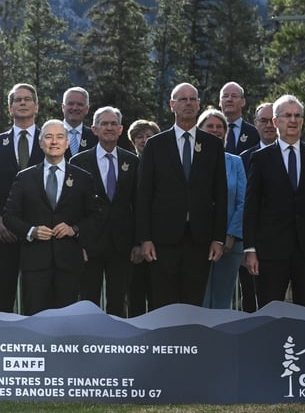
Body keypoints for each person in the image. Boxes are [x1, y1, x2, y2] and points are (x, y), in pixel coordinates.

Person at [136, 82, 227, 310]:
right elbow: (144, 195)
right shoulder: (155, 145)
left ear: (199, 104)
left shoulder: (213, 145)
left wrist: (218, 238)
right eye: (183, 99)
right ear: (172, 105)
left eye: (193, 99)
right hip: (162, 240)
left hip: (200, 239)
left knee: (193, 304)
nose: (188, 103)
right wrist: (145, 238)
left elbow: (220, 194)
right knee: (163, 304)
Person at [243, 94, 305, 309]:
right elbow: (251, 207)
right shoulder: (260, 158)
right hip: (270, 251)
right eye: (287, 116)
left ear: (302, 121)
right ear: (276, 121)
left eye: (297, 115)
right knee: (269, 310)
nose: (293, 120)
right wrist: (250, 249)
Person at [3, 119, 101, 315]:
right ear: (40, 143)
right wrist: (31, 231)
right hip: (35, 263)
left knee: (65, 322)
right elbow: (9, 216)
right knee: (34, 321)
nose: (54, 142)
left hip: (69, 262)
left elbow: (95, 217)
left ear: (67, 142)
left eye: (59, 137)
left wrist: (74, 229)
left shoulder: (83, 178)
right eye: (48, 137)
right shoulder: (25, 177)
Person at [70, 107, 138, 317]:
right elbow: (72, 208)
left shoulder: (132, 161)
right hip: (89, 244)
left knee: (118, 302)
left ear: (121, 129)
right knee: (87, 302)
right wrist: (76, 244)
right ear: (94, 129)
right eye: (104, 124)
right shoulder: (78, 162)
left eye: (113, 124)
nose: (109, 128)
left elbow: (138, 204)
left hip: (122, 245)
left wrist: (138, 242)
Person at [0, 83, 46, 313]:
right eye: (17, 100)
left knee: (38, 297)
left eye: (27, 99)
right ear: (10, 108)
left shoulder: (51, 140)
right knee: (2, 295)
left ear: (36, 106)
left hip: (40, 232)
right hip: (5, 232)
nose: (22, 103)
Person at [197, 109, 246, 309]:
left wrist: (231, 234)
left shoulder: (235, 162)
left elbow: (243, 201)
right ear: (199, 130)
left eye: (220, 127)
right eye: (210, 126)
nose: (215, 130)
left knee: (222, 301)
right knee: (199, 299)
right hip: (197, 241)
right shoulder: (190, 161)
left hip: (229, 243)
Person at [237, 101, 275, 312]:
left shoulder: (299, 156)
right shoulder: (245, 158)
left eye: (272, 120)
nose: (269, 125)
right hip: (253, 241)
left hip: (287, 241)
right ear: (255, 124)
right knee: (250, 298)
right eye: (263, 120)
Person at [126, 118, 161, 316]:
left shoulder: (164, 166)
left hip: (161, 243)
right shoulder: (128, 166)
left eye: (149, 136)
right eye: (139, 136)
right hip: (134, 245)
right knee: (135, 298)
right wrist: (137, 242)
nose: (144, 140)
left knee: (158, 298)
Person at [219, 82, 259, 155]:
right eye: (225, 96)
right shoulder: (212, 130)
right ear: (219, 102)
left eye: (234, 96)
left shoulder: (254, 133)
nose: (229, 99)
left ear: (243, 102)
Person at [61, 87, 97, 160]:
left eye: (80, 104)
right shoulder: (50, 134)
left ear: (87, 109)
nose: (75, 108)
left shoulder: (95, 137)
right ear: (63, 107)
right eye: (70, 104)